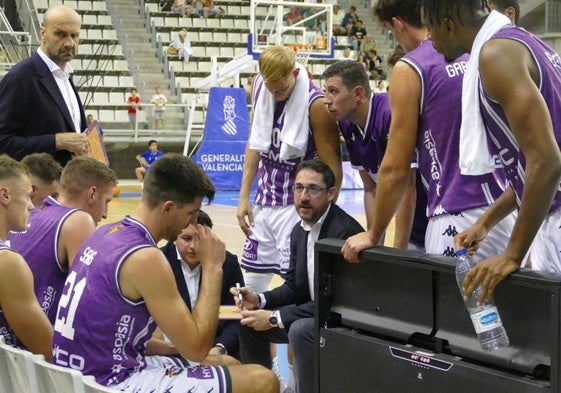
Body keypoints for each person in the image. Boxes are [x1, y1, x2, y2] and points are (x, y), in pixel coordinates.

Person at [52, 154, 278, 392]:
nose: (193, 221)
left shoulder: (105, 232)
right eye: (191, 213)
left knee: (228, 362)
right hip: (112, 382)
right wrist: (213, 267)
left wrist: (175, 350)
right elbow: (197, 348)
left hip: (76, 375)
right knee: (262, 380)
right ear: (168, 208)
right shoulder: (146, 257)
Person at [342, 0, 515, 263]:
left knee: (451, 304)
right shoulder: (481, 48)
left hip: (457, 214)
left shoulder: (412, 67)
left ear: (398, 25)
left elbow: (396, 168)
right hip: (508, 208)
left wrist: (374, 234)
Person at [420, 0, 561, 303]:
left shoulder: (497, 54)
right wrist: (486, 222)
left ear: (448, 25)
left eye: (430, 29)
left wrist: (512, 253)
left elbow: (548, 162)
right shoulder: (525, 42)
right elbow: (532, 165)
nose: (428, 39)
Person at [234, 160, 364, 393]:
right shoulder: (299, 231)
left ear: (331, 193)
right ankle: (260, 387)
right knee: (249, 322)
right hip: (312, 314)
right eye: (298, 188)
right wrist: (259, 300)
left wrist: (274, 318)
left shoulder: (343, 233)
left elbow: (335, 303)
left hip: (341, 321)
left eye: (313, 189)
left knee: (300, 330)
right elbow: (295, 286)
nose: (303, 196)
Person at [237, 45, 342, 294]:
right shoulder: (262, 87)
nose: (275, 92)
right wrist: (243, 196)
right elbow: (255, 143)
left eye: (281, 87)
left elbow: (332, 169)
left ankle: (291, 332)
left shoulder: (316, 105)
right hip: (264, 201)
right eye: (270, 86)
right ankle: (254, 332)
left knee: (298, 287)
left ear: (294, 73)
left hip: (298, 206)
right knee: (251, 285)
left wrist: (323, 217)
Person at [323, 60, 427, 250]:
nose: (326, 99)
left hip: (429, 208)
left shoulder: (388, 114)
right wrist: (375, 242)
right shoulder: (347, 124)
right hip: (412, 214)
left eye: (333, 91)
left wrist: (398, 251)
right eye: (325, 91)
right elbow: (371, 188)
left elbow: (407, 190)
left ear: (358, 94)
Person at [9, 156, 118, 325]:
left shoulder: (34, 212)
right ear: (92, 194)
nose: (105, 213)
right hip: (29, 344)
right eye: (106, 201)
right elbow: (90, 301)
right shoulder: (78, 220)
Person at [0, 4, 90, 166]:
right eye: (60, 34)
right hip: (36, 188)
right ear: (43, 33)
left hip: (65, 186)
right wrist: (56, 141)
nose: (69, 43)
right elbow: (3, 142)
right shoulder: (21, 77)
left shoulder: (65, 76)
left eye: (74, 35)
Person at [151, 210, 244, 361]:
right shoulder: (156, 261)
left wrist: (220, 348)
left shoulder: (228, 262)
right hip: (169, 352)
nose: (193, 246)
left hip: (216, 350)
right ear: (174, 238)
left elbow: (234, 313)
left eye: (200, 239)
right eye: (187, 238)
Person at [0, 155, 53, 361]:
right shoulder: (8, 263)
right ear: (4, 195)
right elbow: (47, 349)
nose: (32, 206)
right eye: (28, 196)